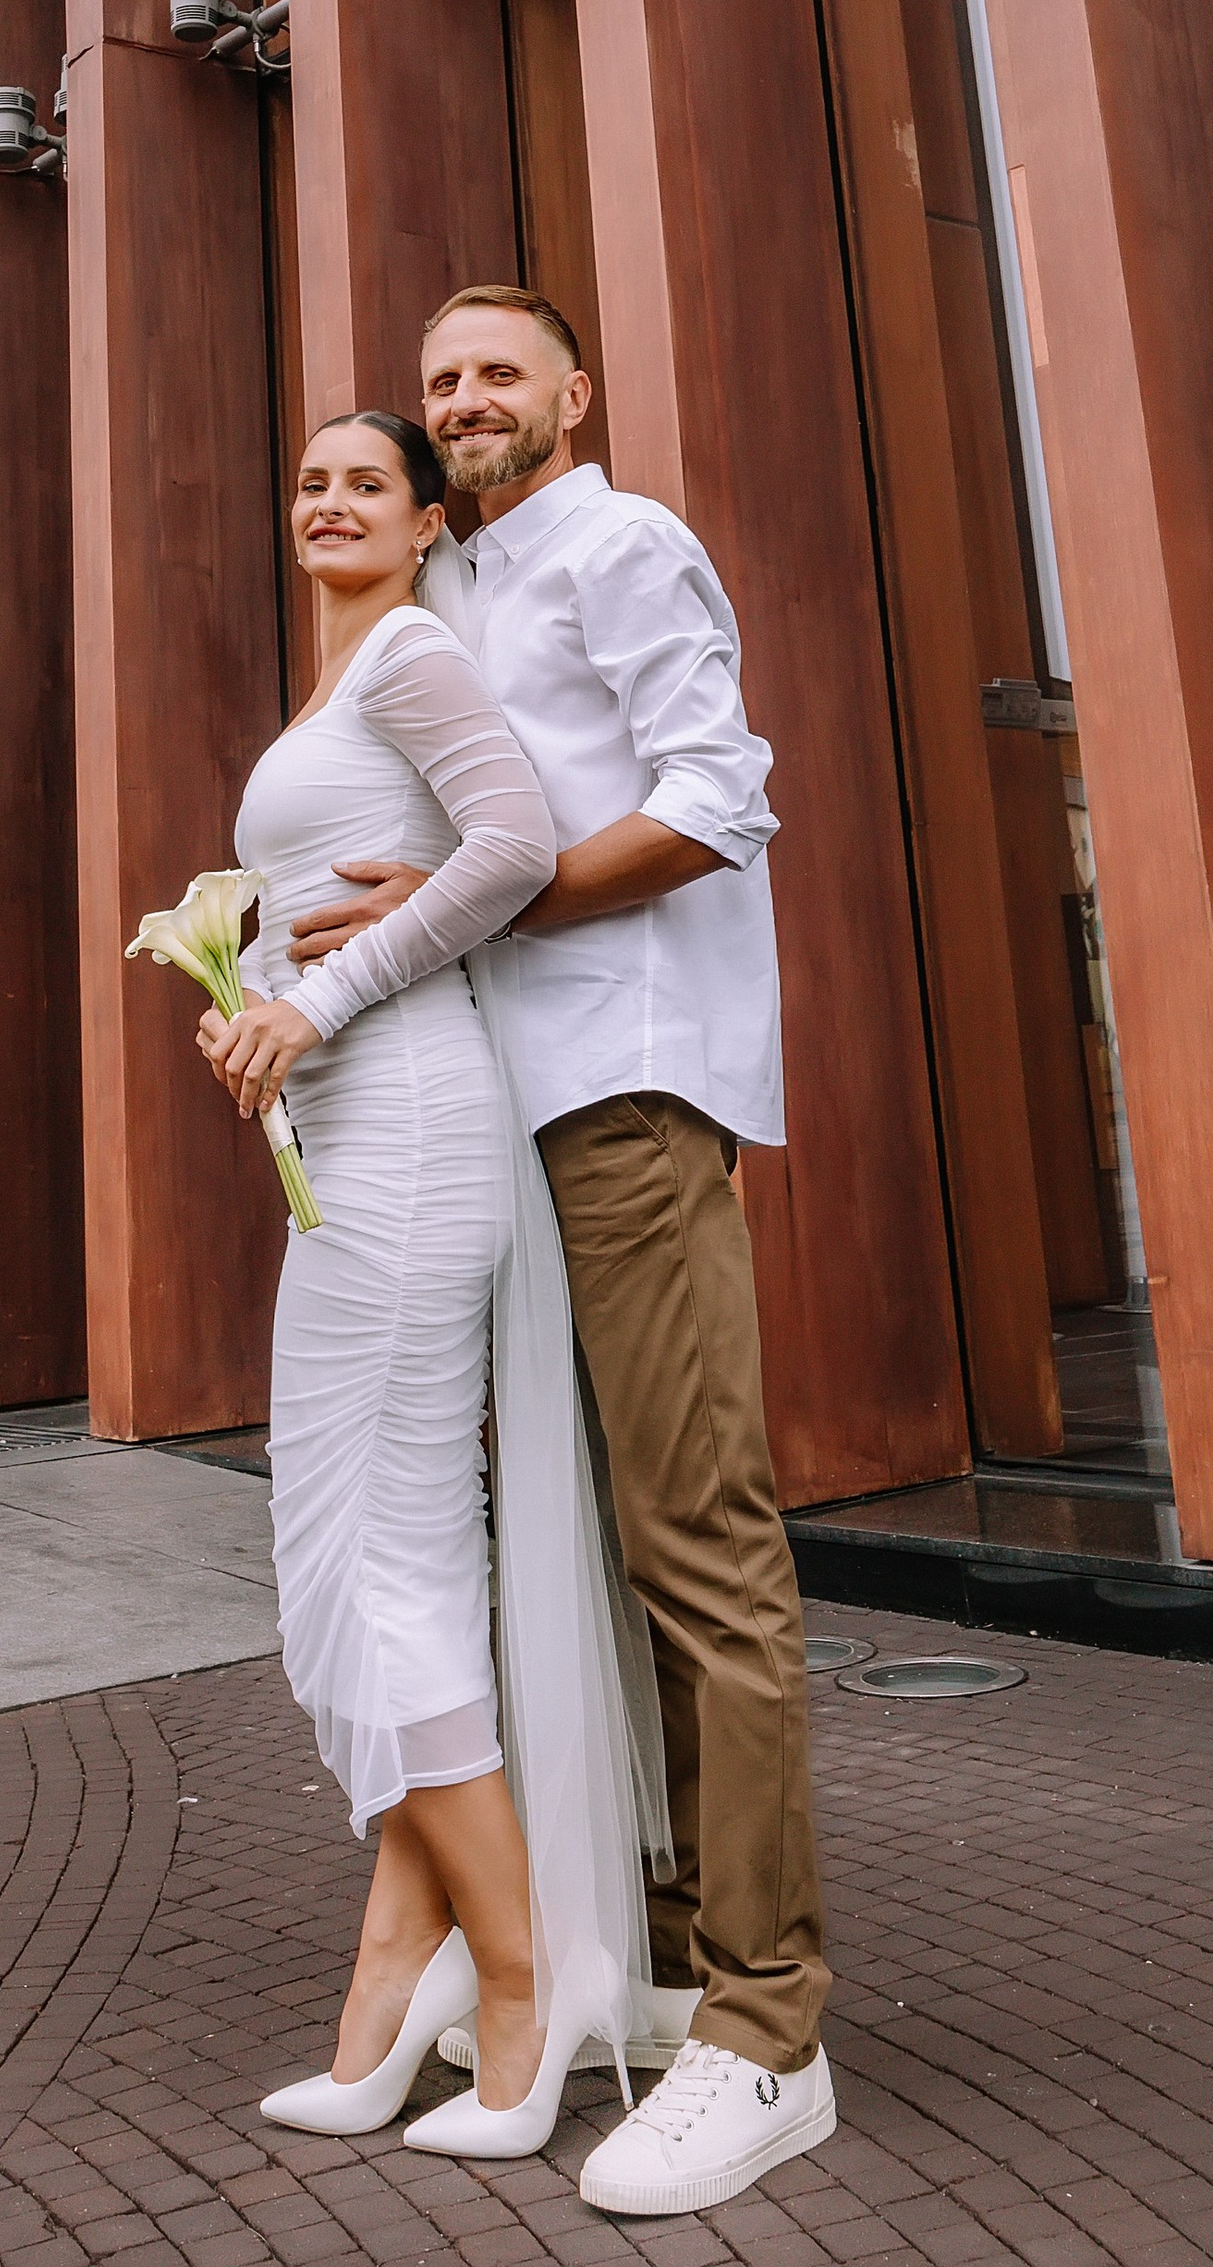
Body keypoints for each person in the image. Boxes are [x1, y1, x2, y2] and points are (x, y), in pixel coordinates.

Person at [289, 287, 835, 2220]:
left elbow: (717, 796)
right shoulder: (460, 587)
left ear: (574, 394)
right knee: (570, 1553)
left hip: (626, 1083)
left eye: (497, 372)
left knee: (698, 1541)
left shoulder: (622, 542)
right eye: (439, 379)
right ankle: (661, 1954)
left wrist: (490, 901)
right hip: (493, 1111)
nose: (461, 400)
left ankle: (768, 2030)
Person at [200, 407, 664, 2164]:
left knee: (374, 1558)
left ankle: (529, 1976)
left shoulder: (408, 654)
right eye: (310, 478)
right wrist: (249, 987)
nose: (328, 498)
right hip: (353, 1137)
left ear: (422, 525)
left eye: (365, 483)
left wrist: (314, 1000)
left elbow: (516, 845)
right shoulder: (347, 681)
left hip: (404, 1131)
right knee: (381, 1552)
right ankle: (395, 1981)